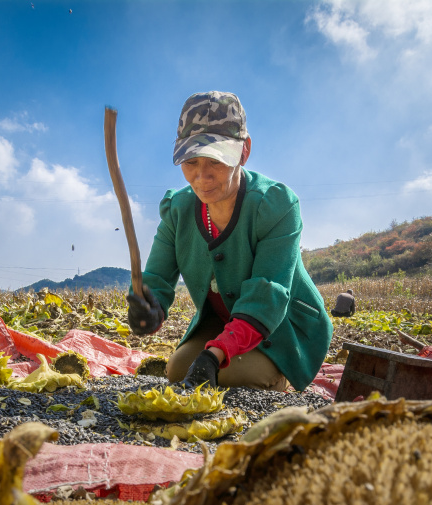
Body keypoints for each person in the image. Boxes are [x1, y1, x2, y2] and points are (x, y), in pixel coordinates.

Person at [126, 91, 332, 393]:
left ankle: (281, 373)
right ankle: (226, 351)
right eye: (191, 162)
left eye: (216, 162)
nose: (202, 177)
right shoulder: (178, 210)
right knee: (178, 370)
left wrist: (214, 354)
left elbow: (268, 295)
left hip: (282, 325)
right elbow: (156, 278)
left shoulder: (276, 206)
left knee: (230, 377)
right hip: (223, 319)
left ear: (243, 152)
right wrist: (147, 307)